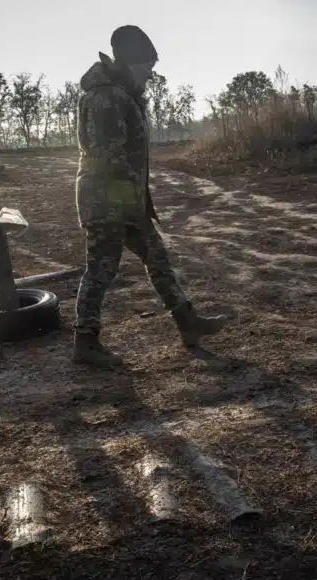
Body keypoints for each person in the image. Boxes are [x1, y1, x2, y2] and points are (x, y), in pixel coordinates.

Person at [73, 25, 228, 367]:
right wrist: (123, 202)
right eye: (148, 66)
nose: (150, 74)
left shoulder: (122, 94)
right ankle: (85, 341)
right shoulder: (107, 97)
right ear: (131, 62)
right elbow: (106, 155)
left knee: (157, 258)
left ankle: (187, 322)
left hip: (126, 200)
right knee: (101, 268)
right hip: (107, 200)